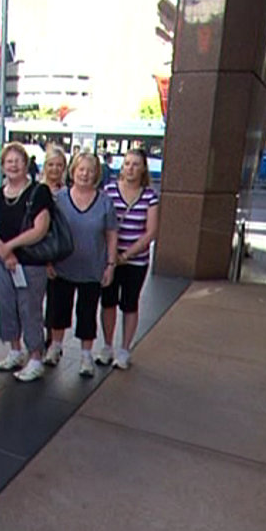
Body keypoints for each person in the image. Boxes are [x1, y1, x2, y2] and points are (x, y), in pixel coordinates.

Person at [42, 152, 118, 377]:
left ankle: (86, 356)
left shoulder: (105, 202)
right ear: (73, 171)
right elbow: (47, 230)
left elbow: (111, 234)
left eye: (90, 170)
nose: (85, 174)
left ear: (97, 174)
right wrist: (47, 260)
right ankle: (55, 347)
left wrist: (110, 264)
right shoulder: (59, 199)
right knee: (58, 310)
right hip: (62, 266)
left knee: (87, 313)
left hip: (92, 268)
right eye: (81, 169)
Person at [0, 142, 52, 383]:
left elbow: (40, 228)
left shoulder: (39, 192)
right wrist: (3, 252)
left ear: (26, 164)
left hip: (31, 264)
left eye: (18, 161)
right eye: (8, 161)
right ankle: (15, 350)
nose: (13, 165)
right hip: (4, 264)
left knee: (29, 309)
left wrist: (10, 247)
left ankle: (36, 357)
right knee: (6, 306)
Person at [99, 148, 160, 370]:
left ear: (143, 168)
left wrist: (126, 255)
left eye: (135, 164)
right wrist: (113, 256)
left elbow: (151, 232)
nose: (130, 168)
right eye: (127, 164)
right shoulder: (108, 191)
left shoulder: (150, 196)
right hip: (110, 259)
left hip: (136, 261)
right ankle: (107, 346)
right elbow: (101, 223)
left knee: (129, 303)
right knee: (108, 302)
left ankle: (124, 350)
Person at [40, 146, 68, 351]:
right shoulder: (36, 190)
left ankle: (53, 341)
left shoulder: (68, 194)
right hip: (37, 252)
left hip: (60, 254)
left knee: (56, 302)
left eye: (59, 165)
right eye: (51, 164)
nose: (55, 169)